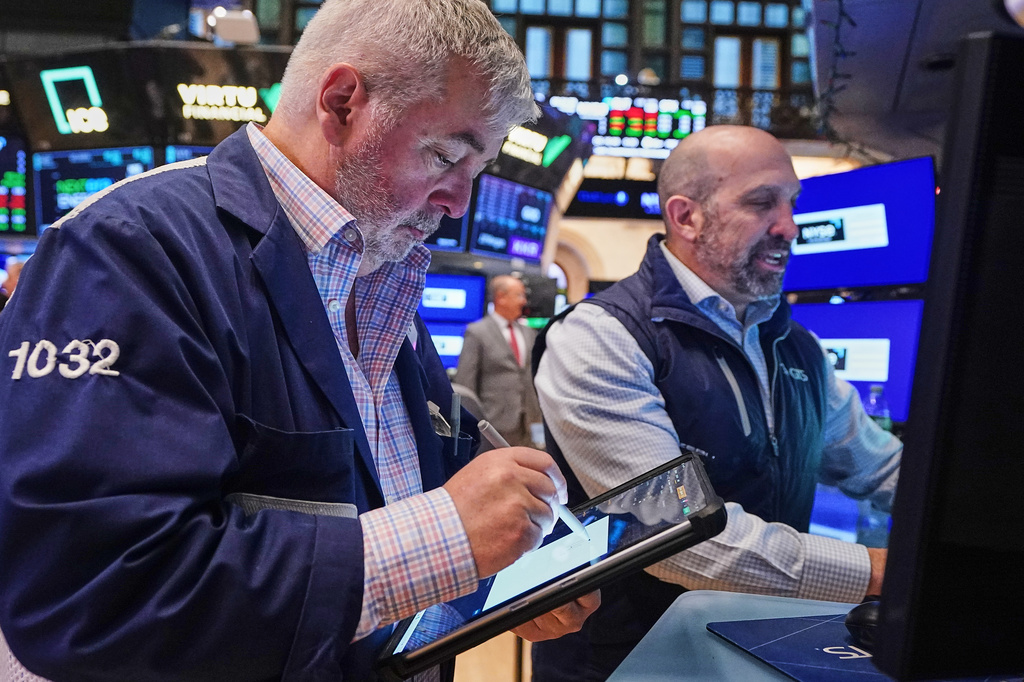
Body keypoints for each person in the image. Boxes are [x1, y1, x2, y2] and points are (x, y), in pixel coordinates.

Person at [0, 1, 598, 680]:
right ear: (342, 102)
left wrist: (497, 576)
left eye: (477, 169)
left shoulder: (380, 274)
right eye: (445, 155)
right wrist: (448, 539)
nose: (460, 201)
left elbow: (380, 515)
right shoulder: (128, 252)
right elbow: (94, 596)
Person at [531, 125, 901, 681]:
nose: (788, 227)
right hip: (629, 663)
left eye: (791, 204)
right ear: (686, 217)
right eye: (761, 203)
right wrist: (885, 572)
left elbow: (880, 465)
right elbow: (681, 539)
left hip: (761, 652)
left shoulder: (792, 344)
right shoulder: (602, 337)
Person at [456, 274, 544, 449]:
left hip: (528, 426)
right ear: (501, 297)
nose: (523, 301)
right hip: (494, 425)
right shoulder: (477, 332)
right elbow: (465, 385)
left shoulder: (529, 333)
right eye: (519, 295)